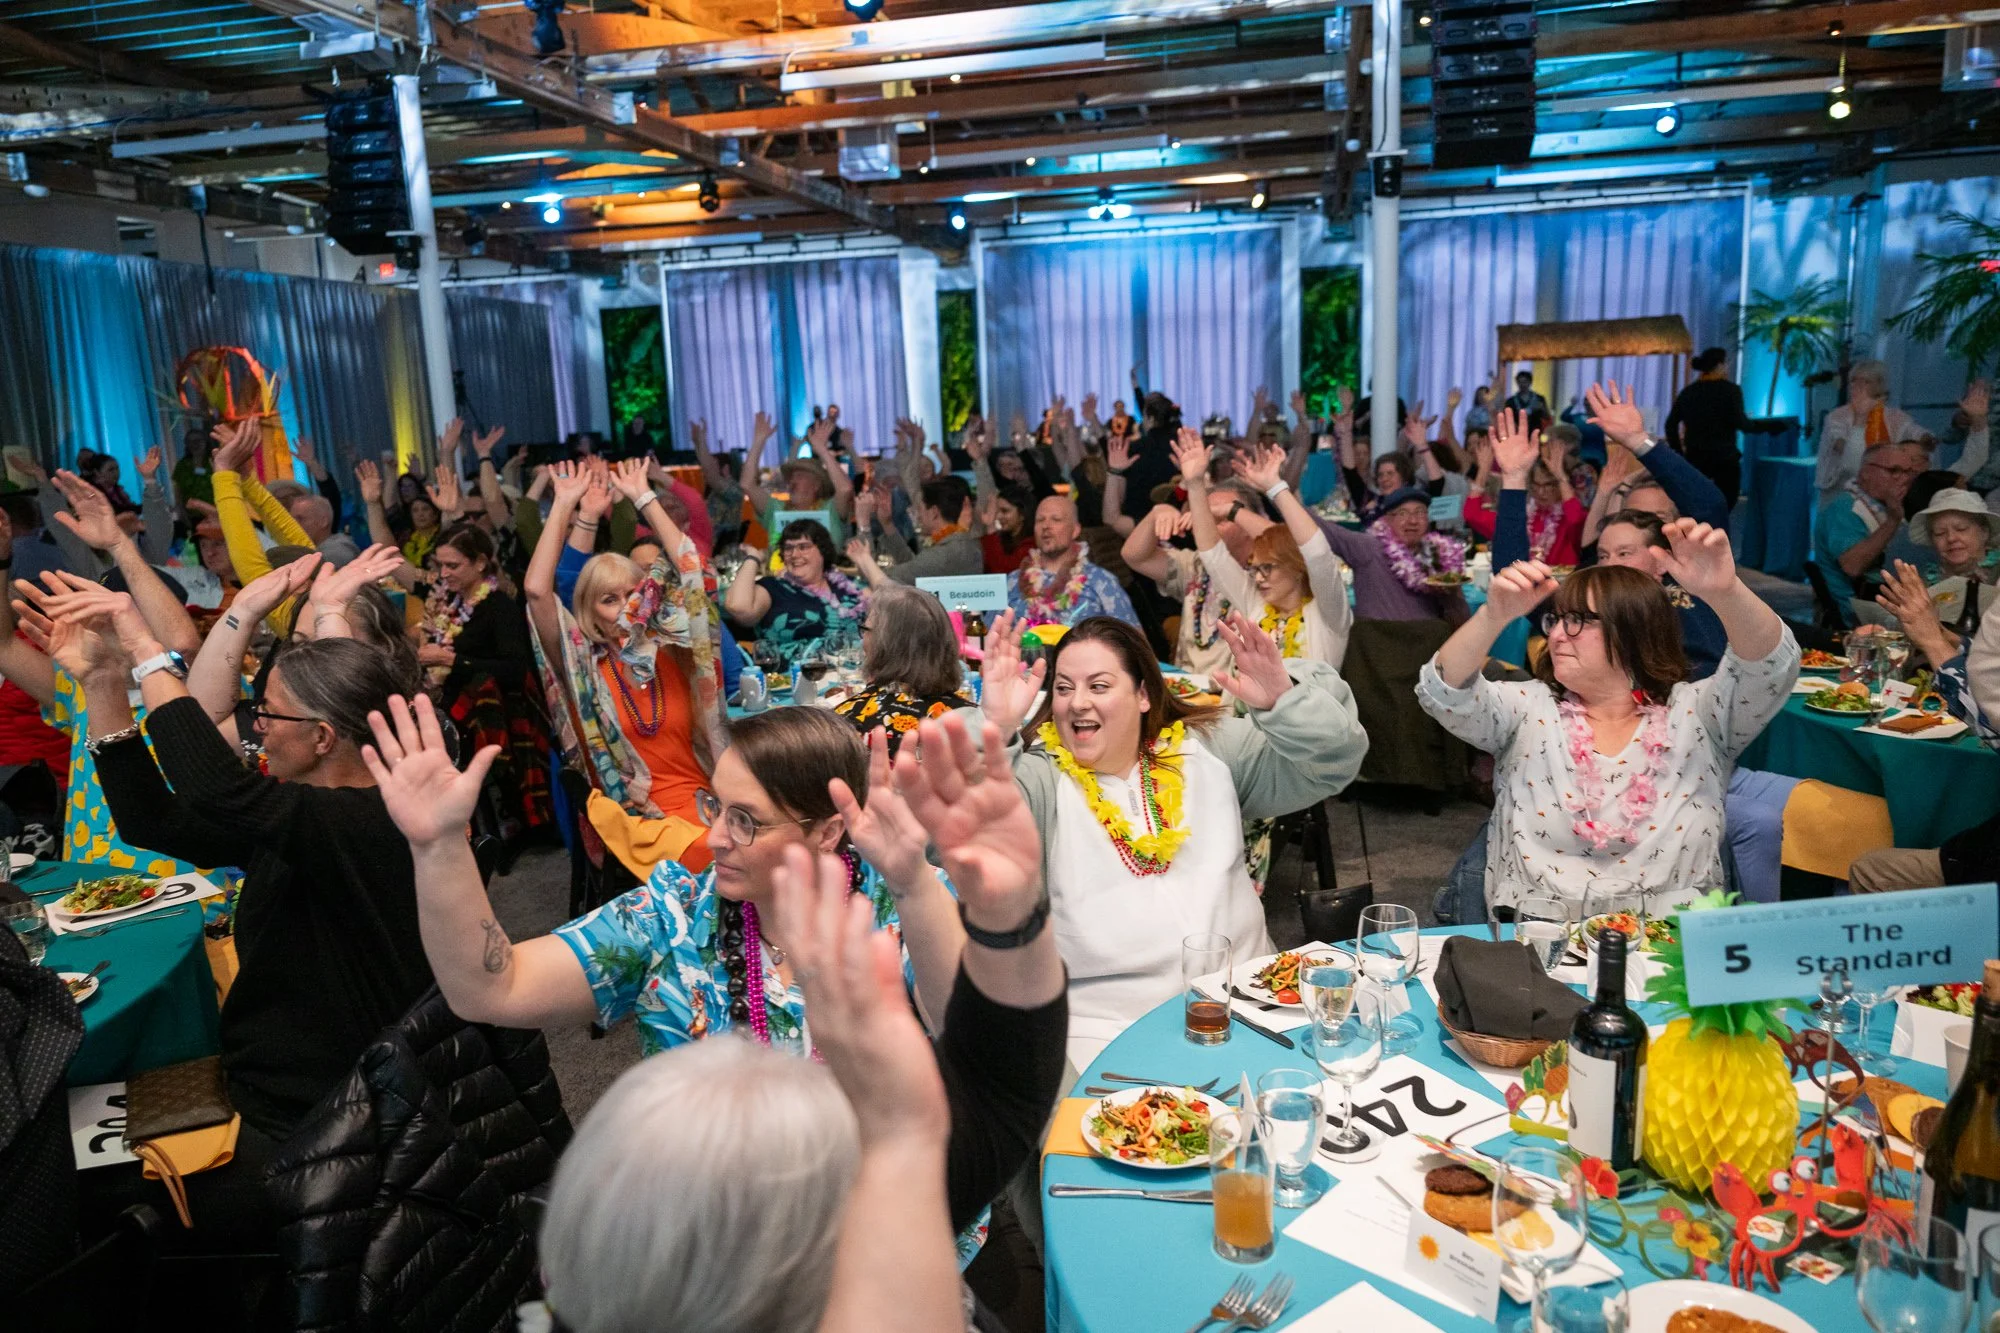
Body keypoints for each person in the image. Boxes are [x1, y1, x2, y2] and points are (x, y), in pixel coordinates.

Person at [531, 719, 1065, 1333]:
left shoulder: (886, 906)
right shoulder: (905, 1177)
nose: (713, 838)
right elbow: (1004, 1081)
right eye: (716, 808)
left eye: (744, 819)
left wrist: (923, 886)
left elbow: (996, 1073)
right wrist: (1010, 915)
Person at [46, 586, 433, 1244]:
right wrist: (106, 684)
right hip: (277, 1088)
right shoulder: (303, 812)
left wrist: (146, 651)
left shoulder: (367, 822)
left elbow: (212, 786)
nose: (255, 729)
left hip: (320, 1121)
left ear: (322, 736)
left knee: (60, 1177)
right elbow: (156, 819)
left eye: (268, 716)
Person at [977, 611, 1368, 1068]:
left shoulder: (1208, 748)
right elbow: (958, 833)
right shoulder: (1040, 782)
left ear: (1143, 695)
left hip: (1252, 1002)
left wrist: (1284, 701)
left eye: (1098, 686)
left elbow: (1334, 763)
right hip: (1107, 1035)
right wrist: (993, 730)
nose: (1077, 703)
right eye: (1063, 689)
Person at [1417, 527, 1799, 917]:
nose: (1559, 636)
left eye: (1579, 620)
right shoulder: (1529, 709)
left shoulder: (1699, 715)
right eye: (1558, 620)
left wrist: (1727, 592)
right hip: (1536, 942)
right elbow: (1441, 691)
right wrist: (1493, 615)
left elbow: (1771, 667)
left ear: (1635, 630)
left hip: (1668, 949)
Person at [528, 460, 724, 876]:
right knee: (732, 856)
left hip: (708, 802)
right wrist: (564, 504)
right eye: (608, 600)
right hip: (640, 820)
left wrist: (644, 496)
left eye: (632, 594)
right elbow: (536, 591)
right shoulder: (583, 668)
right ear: (591, 614)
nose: (624, 609)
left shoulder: (675, 649)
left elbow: (696, 572)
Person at [420, 524, 551, 839]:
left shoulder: (498, 607)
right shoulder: (452, 603)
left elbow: (515, 669)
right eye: (440, 565)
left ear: (480, 563)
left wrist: (451, 661)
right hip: (460, 706)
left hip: (497, 713)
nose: (444, 573)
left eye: (453, 565)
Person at [1181, 434, 1351, 668]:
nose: (1258, 578)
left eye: (1268, 568)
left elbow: (1318, 553)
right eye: (1256, 568)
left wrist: (1275, 488)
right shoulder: (1256, 606)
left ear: (1296, 568)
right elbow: (1213, 555)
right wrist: (1195, 484)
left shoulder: (1328, 615)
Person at [1120, 480, 1273, 677]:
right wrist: (1157, 512)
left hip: (1236, 695)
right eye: (1205, 517)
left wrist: (1233, 511)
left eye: (1222, 517)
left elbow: (1287, 544)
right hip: (1189, 691)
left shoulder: (1271, 577)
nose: (1210, 526)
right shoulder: (1195, 565)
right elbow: (1135, 556)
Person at [831, 586, 969, 756]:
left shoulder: (844, 723)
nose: (863, 639)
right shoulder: (972, 718)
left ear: (882, 644)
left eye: (865, 630)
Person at [1814, 439, 1929, 623]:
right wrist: (1892, 520)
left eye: (1909, 472)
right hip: (1859, 612)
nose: (1904, 478)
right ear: (1866, 473)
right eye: (1894, 471)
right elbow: (1852, 566)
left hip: (1891, 598)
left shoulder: (1891, 504)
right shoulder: (1845, 508)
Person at [726, 517, 868, 666]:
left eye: (803, 547)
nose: (794, 554)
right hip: (792, 681)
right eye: (788, 548)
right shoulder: (774, 588)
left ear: (822, 550)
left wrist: (865, 559)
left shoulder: (846, 586)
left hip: (851, 676)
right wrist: (753, 558)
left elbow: (890, 601)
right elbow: (738, 607)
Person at [1315, 485, 1469, 622]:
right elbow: (1324, 529)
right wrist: (1289, 496)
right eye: (1402, 513)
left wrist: (1451, 596)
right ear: (1387, 519)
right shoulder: (1368, 548)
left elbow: (1462, 620)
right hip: (1381, 646)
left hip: (1431, 645)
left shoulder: (1440, 554)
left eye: (1420, 513)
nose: (1413, 521)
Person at [1000, 494, 1137, 629]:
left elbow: (1133, 641)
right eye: (1040, 520)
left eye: (1056, 519)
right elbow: (987, 637)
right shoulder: (1012, 581)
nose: (1046, 526)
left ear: (1075, 530)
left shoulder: (1101, 581)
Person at [1465, 412, 1585, 567]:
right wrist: (1483, 470)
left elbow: (1576, 519)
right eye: (1537, 485)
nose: (1541, 492)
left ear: (1559, 487)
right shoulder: (1520, 518)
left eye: (1548, 485)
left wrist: (1561, 476)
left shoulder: (1567, 521)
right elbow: (1471, 515)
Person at [1816, 360, 1927, 506]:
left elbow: (1916, 433)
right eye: (1853, 381)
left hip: (1881, 494)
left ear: (1880, 386)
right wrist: (1861, 418)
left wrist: (1925, 439)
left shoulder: (1896, 417)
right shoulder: (1837, 417)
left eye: (1865, 382)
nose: (1857, 386)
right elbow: (1839, 444)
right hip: (1841, 491)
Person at [740, 414, 853, 544]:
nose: (792, 481)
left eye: (799, 476)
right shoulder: (776, 509)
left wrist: (822, 450)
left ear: (816, 485)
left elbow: (845, 489)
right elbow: (747, 484)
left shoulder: (830, 510)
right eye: (791, 477)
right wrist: (759, 440)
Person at [849, 475, 983, 585]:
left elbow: (880, 580)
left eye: (920, 509)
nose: (918, 516)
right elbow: (914, 567)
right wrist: (887, 524)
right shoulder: (968, 545)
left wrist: (863, 524)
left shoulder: (942, 556)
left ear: (934, 512)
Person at [1663, 347, 1750, 506]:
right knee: (1726, 502)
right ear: (1719, 365)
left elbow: (1670, 425)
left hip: (1696, 458)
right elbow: (1742, 423)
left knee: (1695, 501)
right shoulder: (1731, 391)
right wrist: (1773, 426)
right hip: (1725, 458)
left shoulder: (1689, 392)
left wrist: (1679, 452)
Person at [978, 482, 1037, 575]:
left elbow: (1005, 573)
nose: (998, 516)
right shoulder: (1000, 538)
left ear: (1022, 514)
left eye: (1004, 511)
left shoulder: (1032, 545)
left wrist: (990, 526)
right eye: (997, 511)